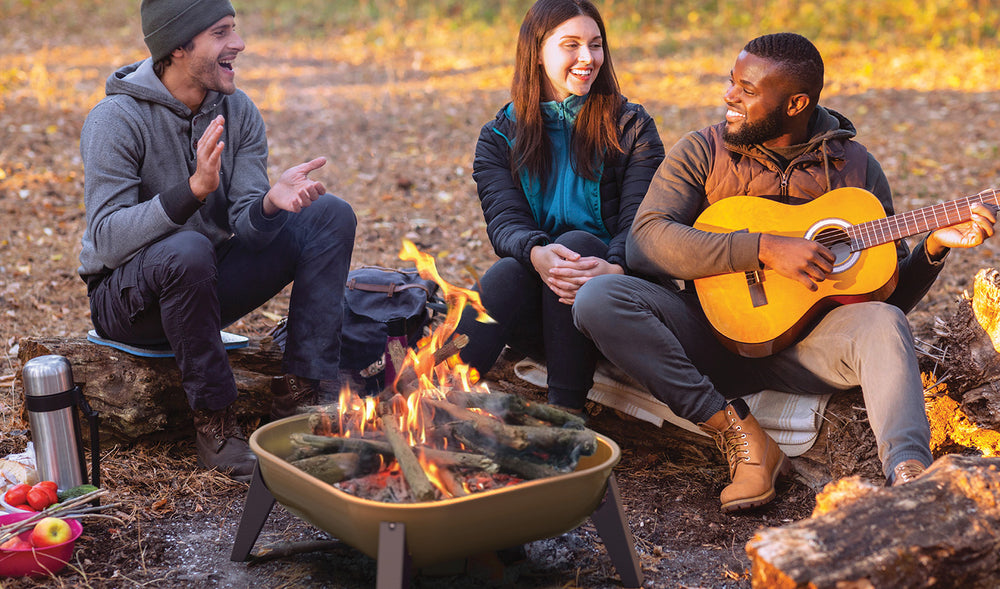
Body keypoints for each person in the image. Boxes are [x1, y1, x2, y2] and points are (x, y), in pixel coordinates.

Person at [573, 32, 996, 512]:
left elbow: (885, 298)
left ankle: (911, 479)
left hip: (810, 351)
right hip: (709, 333)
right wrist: (763, 249)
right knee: (600, 298)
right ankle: (743, 437)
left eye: (747, 90)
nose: (729, 96)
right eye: (732, 83)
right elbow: (645, 243)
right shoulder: (702, 151)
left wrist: (934, 247)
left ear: (795, 103)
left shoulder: (856, 170)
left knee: (884, 323)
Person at [78, 0, 357, 481]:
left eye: (235, 29)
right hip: (127, 302)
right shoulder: (115, 119)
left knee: (328, 215)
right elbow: (105, 240)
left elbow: (247, 224)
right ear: (179, 47)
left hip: (201, 285)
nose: (239, 44)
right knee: (188, 249)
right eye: (222, 32)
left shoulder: (237, 109)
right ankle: (216, 422)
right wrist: (191, 192)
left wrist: (271, 203)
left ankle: (304, 395)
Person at [454, 0, 664, 412]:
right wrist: (536, 253)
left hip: (617, 301)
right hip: (544, 306)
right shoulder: (499, 136)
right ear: (536, 52)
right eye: (571, 45)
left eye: (596, 45)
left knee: (579, 243)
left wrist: (615, 267)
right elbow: (504, 221)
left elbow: (645, 221)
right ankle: (433, 397)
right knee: (507, 275)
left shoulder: (630, 126)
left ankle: (566, 412)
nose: (588, 58)